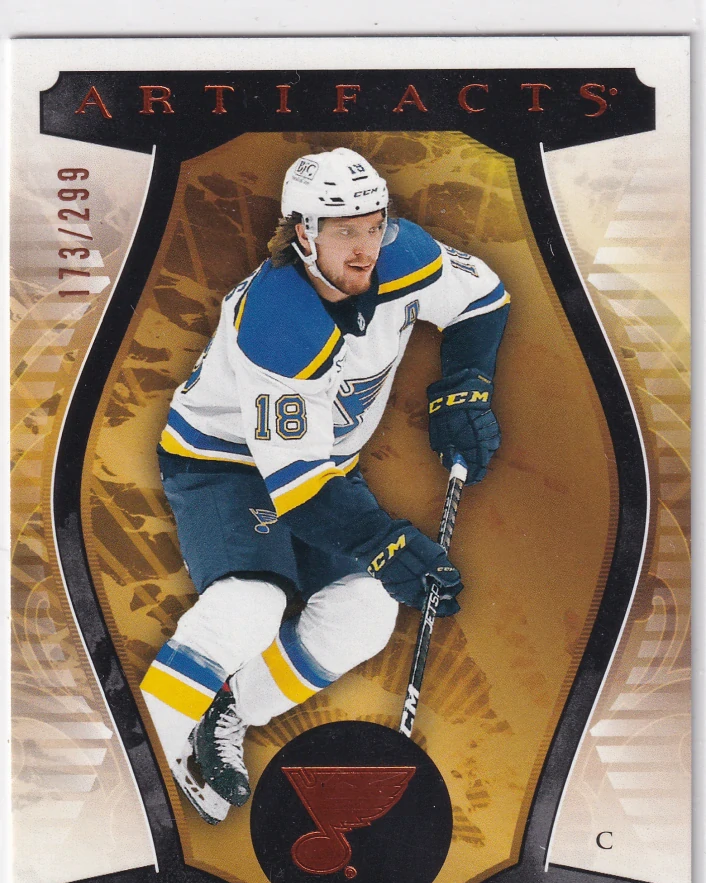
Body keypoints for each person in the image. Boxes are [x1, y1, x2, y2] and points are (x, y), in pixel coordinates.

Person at [139, 148, 510, 824]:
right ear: (302, 233)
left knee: (365, 612)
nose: (366, 246)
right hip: (224, 462)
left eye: (373, 224)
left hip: (323, 465)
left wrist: (465, 387)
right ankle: (147, 749)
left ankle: (228, 708)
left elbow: (482, 298)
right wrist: (390, 544)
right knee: (250, 604)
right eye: (344, 231)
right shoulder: (277, 321)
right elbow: (299, 490)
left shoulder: (404, 254)